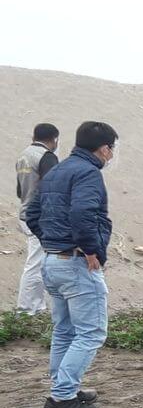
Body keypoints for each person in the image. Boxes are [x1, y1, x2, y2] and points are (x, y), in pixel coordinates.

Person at [26, 121, 118, 408]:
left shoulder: (58, 169)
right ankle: (63, 395)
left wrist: (51, 240)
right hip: (76, 261)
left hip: (52, 260)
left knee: (65, 330)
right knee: (91, 332)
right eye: (111, 150)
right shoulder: (87, 173)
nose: (111, 156)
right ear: (104, 148)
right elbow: (82, 213)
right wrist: (90, 249)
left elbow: (32, 213)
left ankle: (63, 387)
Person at [15, 123, 60, 315]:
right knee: (36, 263)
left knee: (37, 261)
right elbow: (54, 187)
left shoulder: (23, 155)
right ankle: (26, 309)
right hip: (39, 216)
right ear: (55, 139)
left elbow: (20, 190)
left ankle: (36, 306)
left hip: (25, 212)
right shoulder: (47, 157)